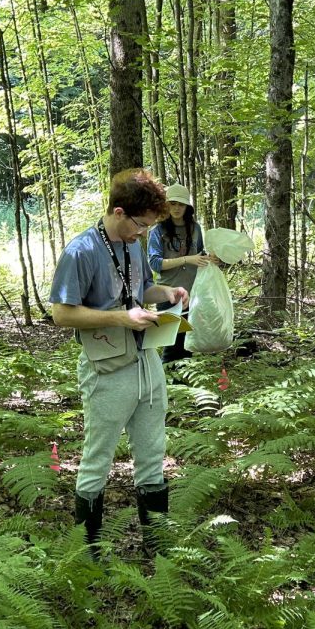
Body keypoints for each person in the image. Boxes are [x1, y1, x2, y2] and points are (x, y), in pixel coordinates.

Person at [49, 168, 189, 557]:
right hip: (106, 369)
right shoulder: (81, 251)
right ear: (119, 211)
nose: (142, 234)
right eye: (140, 226)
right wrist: (121, 318)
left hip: (146, 362)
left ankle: (158, 553)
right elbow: (62, 314)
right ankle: (88, 553)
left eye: (147, 229)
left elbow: (142, 288)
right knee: (98, 459)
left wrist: (169, 292)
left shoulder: (132, 244)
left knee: (152, 456)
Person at [147, 183, 213, 363]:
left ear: (187, 207)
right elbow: (155, 263)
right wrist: (187, 259)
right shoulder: (157, 231)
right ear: (166, 205)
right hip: (167, 294)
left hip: (192, 293)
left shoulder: (195, 229)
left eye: (180, 204)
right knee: (170, 343)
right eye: (172, 203)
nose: (176, 208)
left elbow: (200, 256)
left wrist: (209, 259)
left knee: (187, 344)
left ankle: (186, 387)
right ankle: (168, 385)